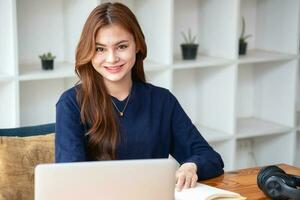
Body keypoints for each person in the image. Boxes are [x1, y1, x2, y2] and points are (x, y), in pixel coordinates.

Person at [55, 2, 224, 192]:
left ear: (137, 45)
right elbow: (69, 179)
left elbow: (210, 157)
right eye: (100, 49)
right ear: (89, 52)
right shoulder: (71, 104)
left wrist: (191, 166)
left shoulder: (162, 101)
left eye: (121, 46)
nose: (111, 59)